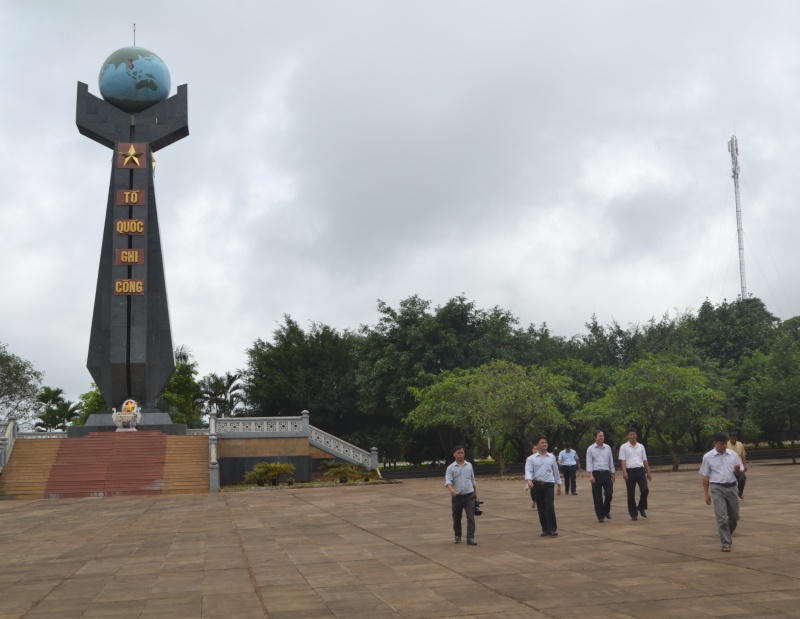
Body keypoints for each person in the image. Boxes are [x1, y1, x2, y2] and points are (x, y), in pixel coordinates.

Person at [699, 431, 743, 552]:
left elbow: (739, 473)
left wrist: (737, 470)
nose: (724, 446)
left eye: (725, 444)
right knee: (722, 517)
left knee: (734, 517)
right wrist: (706, 493)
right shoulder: (708, 457)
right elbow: (705, 476)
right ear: (715, 443)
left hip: (732, 487)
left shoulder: (733, 455)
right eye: (721, 444)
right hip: (717, 488)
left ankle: (727, 532)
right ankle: (726, 543)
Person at [525, 436, 562, 536]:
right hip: (537, 485)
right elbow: (528, 471)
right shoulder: (531, 459)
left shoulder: (551, 457)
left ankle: (553, 529)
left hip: (549, 484)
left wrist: (559, 485)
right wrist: (528, 481)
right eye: (542, 442)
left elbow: (556, 471)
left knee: (549, 506)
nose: (545, 444)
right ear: (537, 445)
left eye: (546, 442)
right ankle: (545, 529)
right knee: (541, 508)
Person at [445, 445, 477, 545]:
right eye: (458, 453)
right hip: (457, 496)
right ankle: (457, 535)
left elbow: (472, 479)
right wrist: (451, 490)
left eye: (462, 452)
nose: (460, 455)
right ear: (454, 454)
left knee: (471, 517)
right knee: (457, 517)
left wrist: (475, 492)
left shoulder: (469, 465)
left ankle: (470, 538)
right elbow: (448, 481)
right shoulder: (451, 468)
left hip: (469, 495)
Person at [619, 428, 652, 521]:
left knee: (645, 490)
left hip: (640, 470)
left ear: (636, 435)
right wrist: (624, 472)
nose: (633, 436)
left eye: (634, 434)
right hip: (630, 471)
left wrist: (648, 472)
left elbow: (645, 460)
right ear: (627, 436)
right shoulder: (624, 447)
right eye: (631, 434)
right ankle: (633, 513)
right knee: (631, 494)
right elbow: (623, 460)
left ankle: (641, 507)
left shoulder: (641, 446)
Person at [586, 430, 615, 522]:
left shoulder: (608, 448)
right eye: (599, 436)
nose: (602, 437)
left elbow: (611, 461)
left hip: (606, 473)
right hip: (596, 474)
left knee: (609, 494)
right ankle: (600, 516)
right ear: (595, 437)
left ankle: (606, 510)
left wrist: (613, 473)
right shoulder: (590, 449)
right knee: (597, 496)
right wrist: (590, 475)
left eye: (602, 435)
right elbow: (589, 463)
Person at [727, 432, 748, 499]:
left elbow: (743, 455)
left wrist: (744, 465)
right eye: (732, 438)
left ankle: (739, 492)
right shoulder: (726, 444)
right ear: (729, 438)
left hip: (739, 466)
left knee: (742, 478)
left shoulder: (740, 444)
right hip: (729, 466)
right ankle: (730, 494)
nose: (734, 439)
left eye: (735, 438)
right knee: (730, 481)